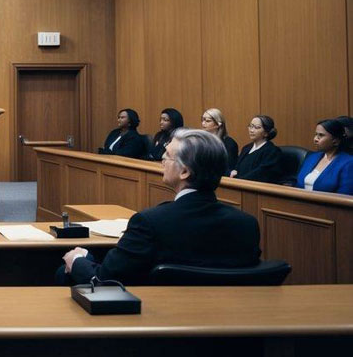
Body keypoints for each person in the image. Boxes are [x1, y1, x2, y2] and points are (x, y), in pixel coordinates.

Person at [60, 129, 260, 285]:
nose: (162, 159)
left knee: (63, 273)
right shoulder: (247, 224)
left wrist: (78, 259)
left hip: (153, 327)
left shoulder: (150, 223)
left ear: (184, 171)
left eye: (167, 155)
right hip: (228, 331)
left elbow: (104, 281)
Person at [296, 118, 353, 195]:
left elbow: (344, 196)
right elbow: (297, 184)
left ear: (335, 141)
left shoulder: (348, 163)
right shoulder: (311, 157)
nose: (315, 139)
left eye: (321, 135)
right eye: (316, 134)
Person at [232, 115, 282, 183]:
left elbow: (260, 174)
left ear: (266, 133)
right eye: (251, 126)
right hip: (239, 185)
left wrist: (239, 180)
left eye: (257, 127)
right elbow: (236, 168)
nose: (251, 130)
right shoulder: (246, 148)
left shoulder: (273, 151)